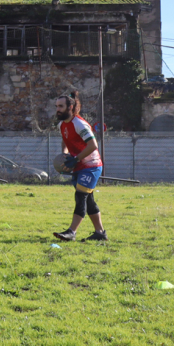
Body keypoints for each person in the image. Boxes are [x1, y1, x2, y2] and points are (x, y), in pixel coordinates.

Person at [53, 91, 108, 242]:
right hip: (78, 166)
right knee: (88, 200)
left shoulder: (79, 124)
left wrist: (76, 158)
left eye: (61, 106)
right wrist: (65, 155)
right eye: (56, 106)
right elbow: (65, 140)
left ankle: (72, 232)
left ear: (70, 107)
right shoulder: (61, 125)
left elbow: (93, 145)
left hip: (91, 166)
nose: (57, 109)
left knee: (80, 196)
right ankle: (100, 233)